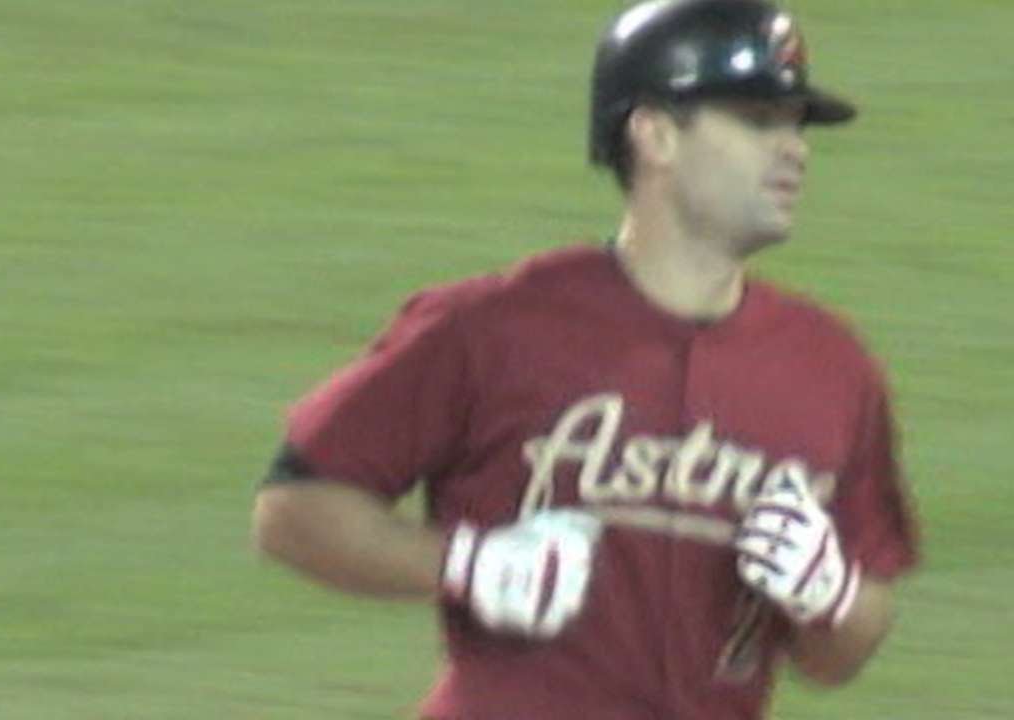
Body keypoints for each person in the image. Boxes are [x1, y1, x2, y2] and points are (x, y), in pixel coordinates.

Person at [252, 0, 920, 718]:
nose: (794, 149)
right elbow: (293, 509)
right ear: (655, 134)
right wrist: (465, 564)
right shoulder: (494, 329)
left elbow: (842, 651)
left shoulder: (832, 368)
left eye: (796, 125)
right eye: (758, 120)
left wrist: (834, 595)